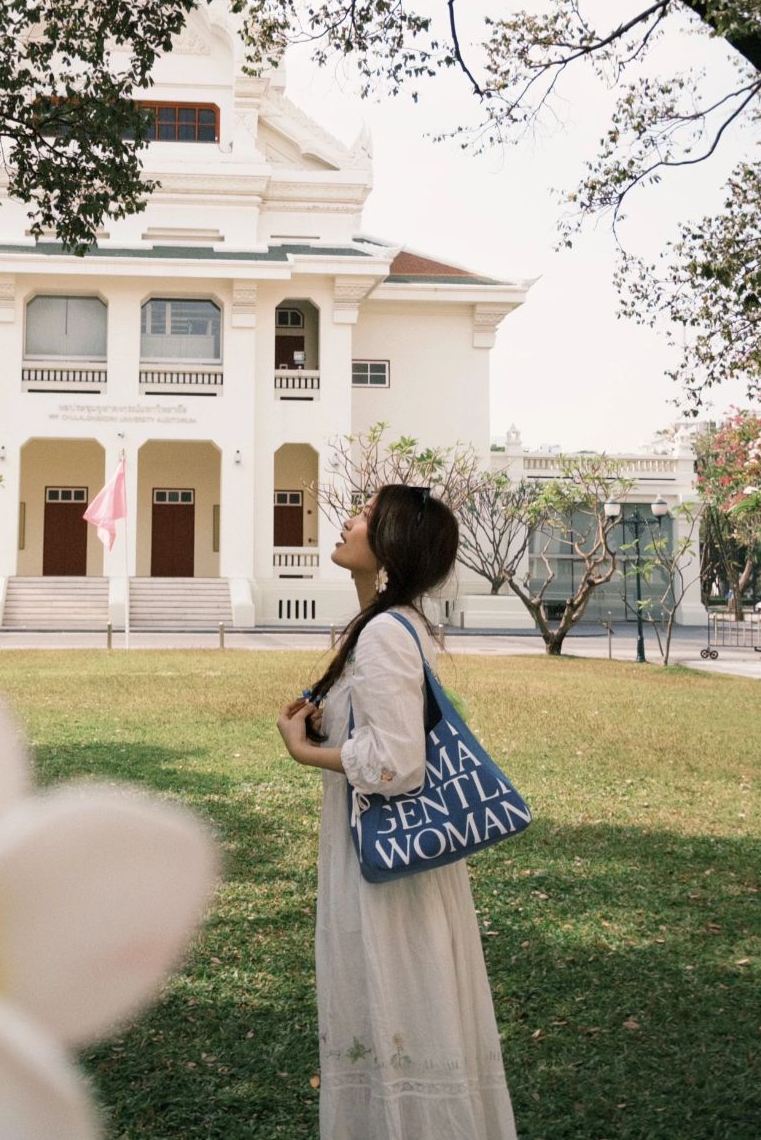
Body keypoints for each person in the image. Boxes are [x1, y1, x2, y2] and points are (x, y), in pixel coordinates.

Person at [277, 484, 517, 1140]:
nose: (346, 520)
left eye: (362, 516)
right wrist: (333, 723)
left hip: (384, 862)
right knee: (404, 1014)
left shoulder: (385, 631)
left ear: (387, 544)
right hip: (394, 855)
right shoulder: (390, 623)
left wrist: (304, 752)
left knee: (392, 1006)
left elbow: (394, 764)